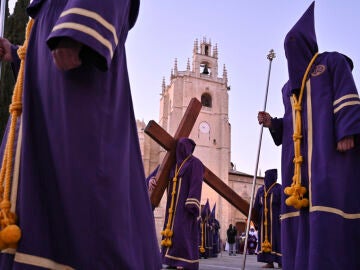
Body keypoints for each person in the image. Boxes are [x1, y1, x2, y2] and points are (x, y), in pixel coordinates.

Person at [0, 0, 162, 269]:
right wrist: (17, 52)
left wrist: (82, 23)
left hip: (74, 46)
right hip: (53, 45)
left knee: (82, 199)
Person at [258, 2, 360, 269]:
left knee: (327, 204)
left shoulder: (331, 62)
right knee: (300, 214)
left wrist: (347, 129)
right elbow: (292, 122)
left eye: (295, 43)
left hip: (329, 152)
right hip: (296, 167)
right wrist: (273, 124)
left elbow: (347, 93)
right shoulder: (287, 89)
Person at [161, 137, 204, 270]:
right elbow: (159, 173)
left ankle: (184, 262)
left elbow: (196, 182)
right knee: (172, 232)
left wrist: (192, 202)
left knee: (183, 233)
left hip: (185, 207)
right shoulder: (173, 165)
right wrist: (152, 181)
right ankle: (171, 261)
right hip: (172, 208)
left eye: (182, 146)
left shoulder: (195, 163)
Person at [253, 169, 282, 268]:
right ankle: (269, 262)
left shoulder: (279, 188)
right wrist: (255, 220)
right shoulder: (260, 190)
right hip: (263, 220)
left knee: (277, 239)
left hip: (276, 220)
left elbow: (283, 205)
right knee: (265, 240)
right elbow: (256, 206)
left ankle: (280, 262)